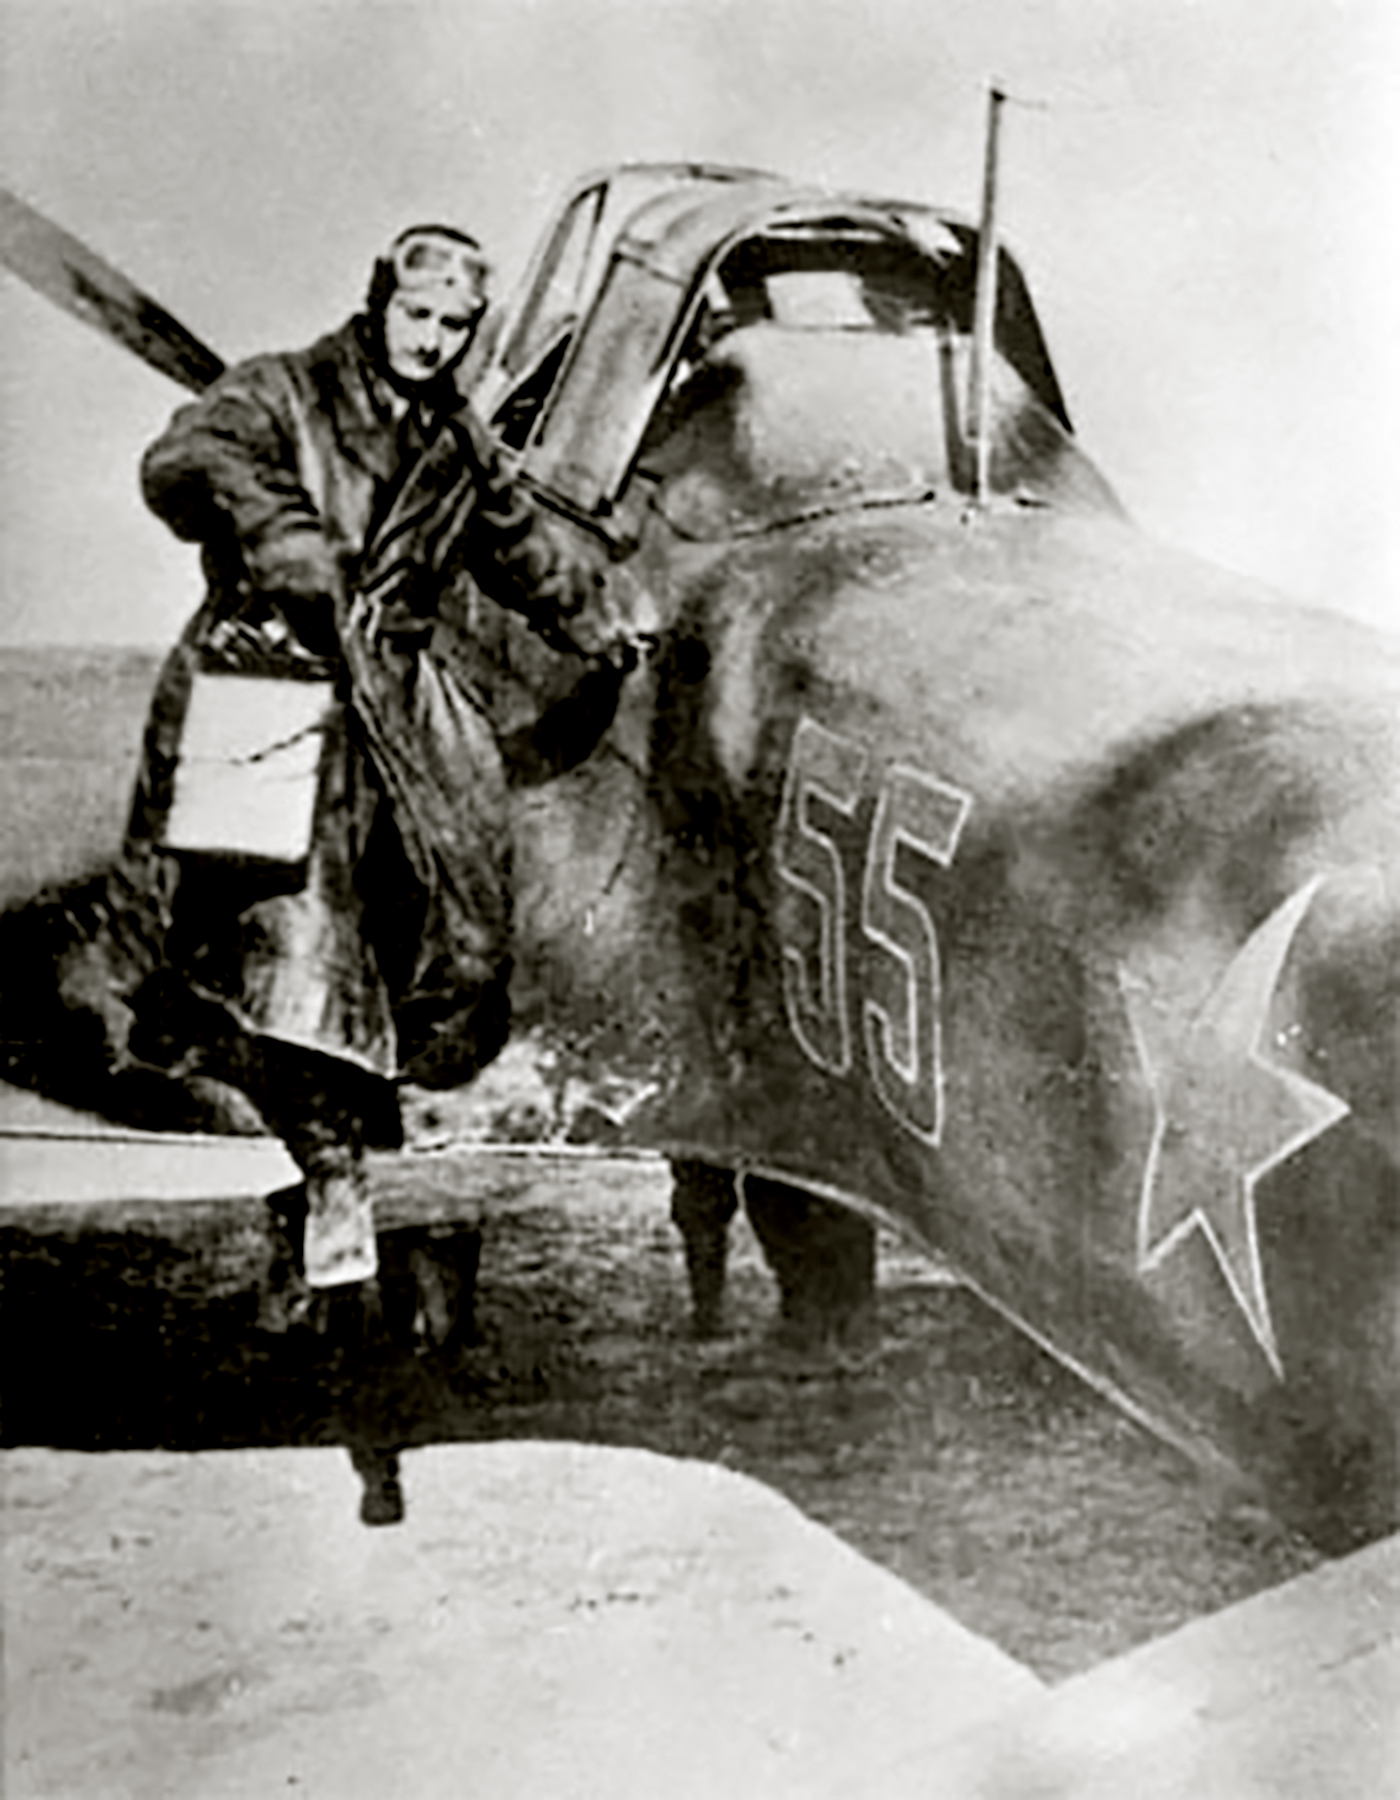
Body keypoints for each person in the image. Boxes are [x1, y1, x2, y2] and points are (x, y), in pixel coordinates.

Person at [123, 223, 629, 1296]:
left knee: (458, 945)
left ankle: (345, 1147)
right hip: (270, 688)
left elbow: (515, 544)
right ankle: (332, 1171)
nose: (431, 340)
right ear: (378, 303)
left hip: (401, 709)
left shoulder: (458, 440)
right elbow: (178, 461)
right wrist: (274, 528)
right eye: (416, 314)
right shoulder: (280, 392)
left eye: (454, 325)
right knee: (283, 946)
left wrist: (595, 621)